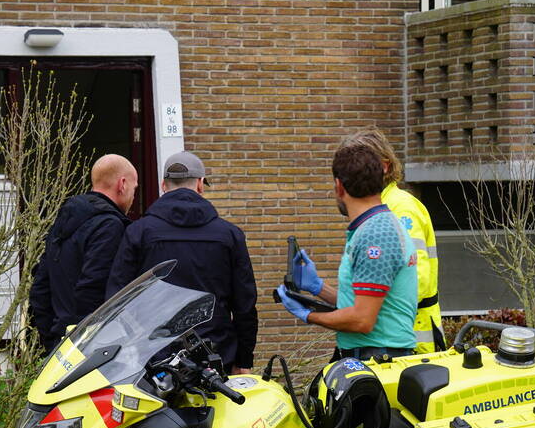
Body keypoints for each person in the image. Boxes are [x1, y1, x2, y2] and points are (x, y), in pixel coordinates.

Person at [106, 151, 257, 374]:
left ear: (163, 185)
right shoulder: (229, 235)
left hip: (152, 361)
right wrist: (243, 359)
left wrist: (130, 352)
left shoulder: (138, 232)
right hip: (215, 358)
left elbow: (117, 300)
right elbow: (245, 304)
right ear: (200, 185)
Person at [277, 142, 417, 361]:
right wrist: (319, 288)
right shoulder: (372, 226)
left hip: (378, 358)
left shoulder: (376, 235)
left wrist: (308, 315)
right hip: (375, 355)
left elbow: (362, 319)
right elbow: (362, 302)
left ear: (339, 186)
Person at [341, 129, 445, 353]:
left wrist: (364, 310)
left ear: (384, 166)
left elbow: (418, 279)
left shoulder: (400, 209)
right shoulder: (375, 209)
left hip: (409, 344)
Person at [29, 154, 138, 352]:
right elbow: (94, 289)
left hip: (60, 344)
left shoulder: (64, 222)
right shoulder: (110, 227)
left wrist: (52, 338)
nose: (133, 196)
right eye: (134, 188)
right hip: (89, 347)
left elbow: (40, 287)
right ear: (122, 184)